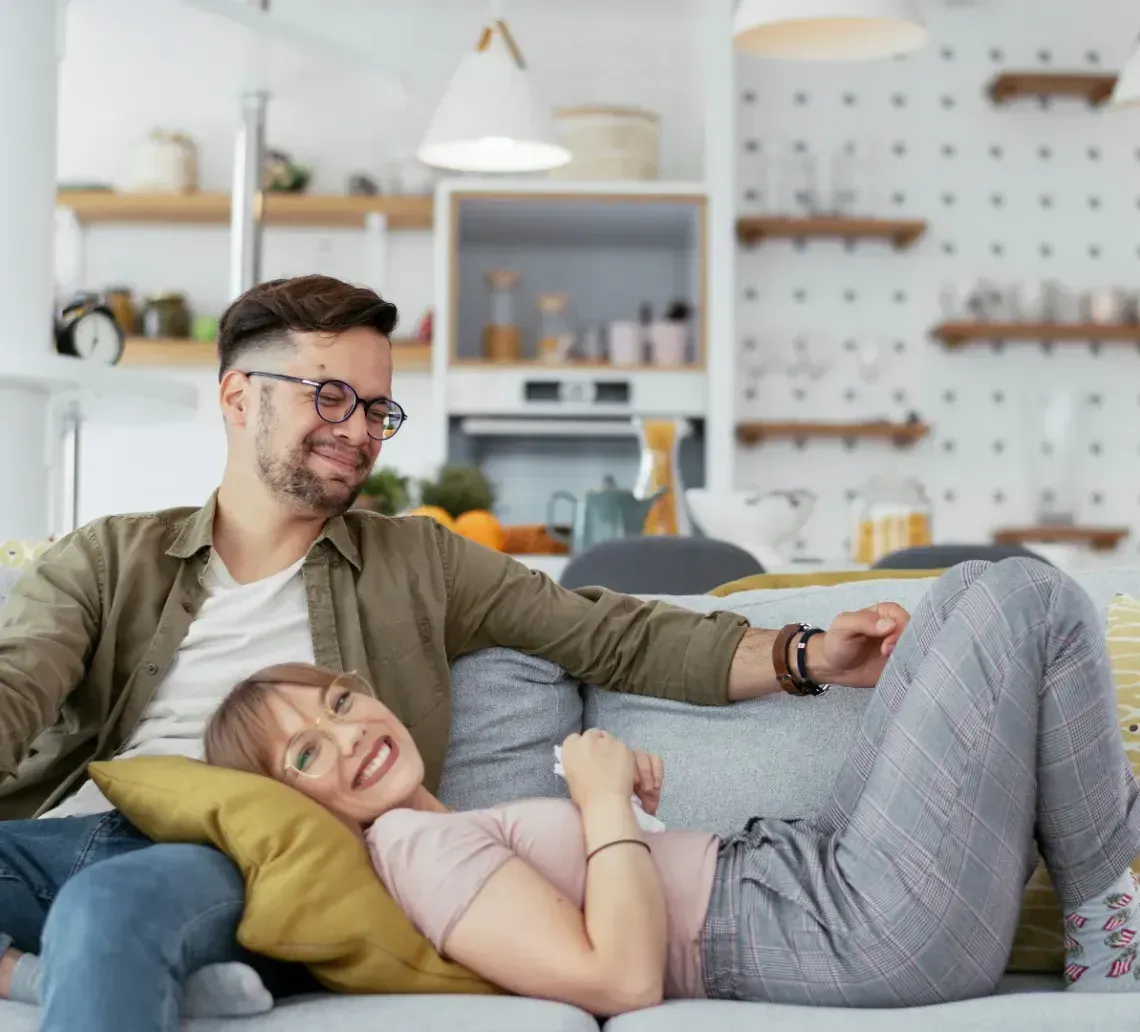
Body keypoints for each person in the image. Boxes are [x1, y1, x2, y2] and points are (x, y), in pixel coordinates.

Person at [0, 274, 913, 1032]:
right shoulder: (110, 558)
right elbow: (15, 685)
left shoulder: (418, 563)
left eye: (375, 408)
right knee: (89, 897)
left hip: (240, 859)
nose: (358, 430)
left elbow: (610, 634)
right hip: (74, 833)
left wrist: (806, 657)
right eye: (329, 395)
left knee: (108, 908)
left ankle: (84, 961)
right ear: (239, 396)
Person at [200, 556, 1140, 1012]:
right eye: (307, 754)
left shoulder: (440, 831)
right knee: (1020, 597)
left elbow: (606, 901)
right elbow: (617, 978)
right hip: (854, 930)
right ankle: (1111, 931)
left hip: (823, 881)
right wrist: (604, 808)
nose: (346, 732)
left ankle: (1109, 905)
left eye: (335, 702)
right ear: (293, 802)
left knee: (964, 614)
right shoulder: (414, 851)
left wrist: (622, 822)